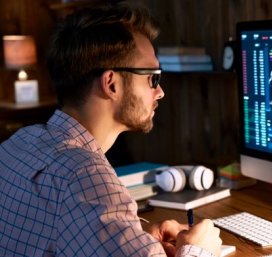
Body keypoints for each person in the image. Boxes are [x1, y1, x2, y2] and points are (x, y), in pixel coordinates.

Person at [0, 2, 222, 257]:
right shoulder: (86, 177)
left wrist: (135, 239)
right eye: (153, 78)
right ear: (111, 83)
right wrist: (199, 250)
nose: (160, 92)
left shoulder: (17, 143)